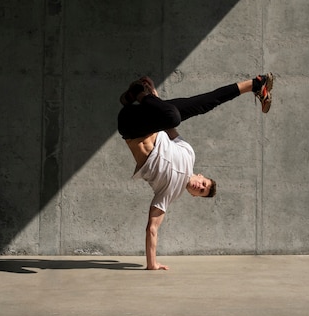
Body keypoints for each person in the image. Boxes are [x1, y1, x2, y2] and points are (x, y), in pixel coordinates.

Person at [117, 73, 274, 270]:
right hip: (151, 116)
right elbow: (169, 128)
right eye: (204, 184)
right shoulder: (189, 154)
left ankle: (138, 94)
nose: (200, 186)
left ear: (193, 195)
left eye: (200, 190)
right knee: (203, 104)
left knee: (172, 115)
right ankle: (256, 84)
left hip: (130, 126)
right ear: (201, 175)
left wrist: (152, 264)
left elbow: (152, 228)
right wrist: (156, 98)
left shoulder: (169, 193)